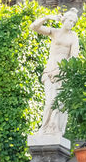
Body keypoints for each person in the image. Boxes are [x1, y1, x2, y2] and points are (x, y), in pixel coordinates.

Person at [32, 9, 82, 140]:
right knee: (50, 102)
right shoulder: (54, 32)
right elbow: (34, 27)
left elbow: (74, 57)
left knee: (59, 103)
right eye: (69, 20)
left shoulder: (73, 37)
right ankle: (43, 129)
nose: (71, 23)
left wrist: (62, 71)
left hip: (63, 73)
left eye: (73, 22)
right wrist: (48, 17)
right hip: (49, 71)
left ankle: (55, 130)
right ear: (64, 20)